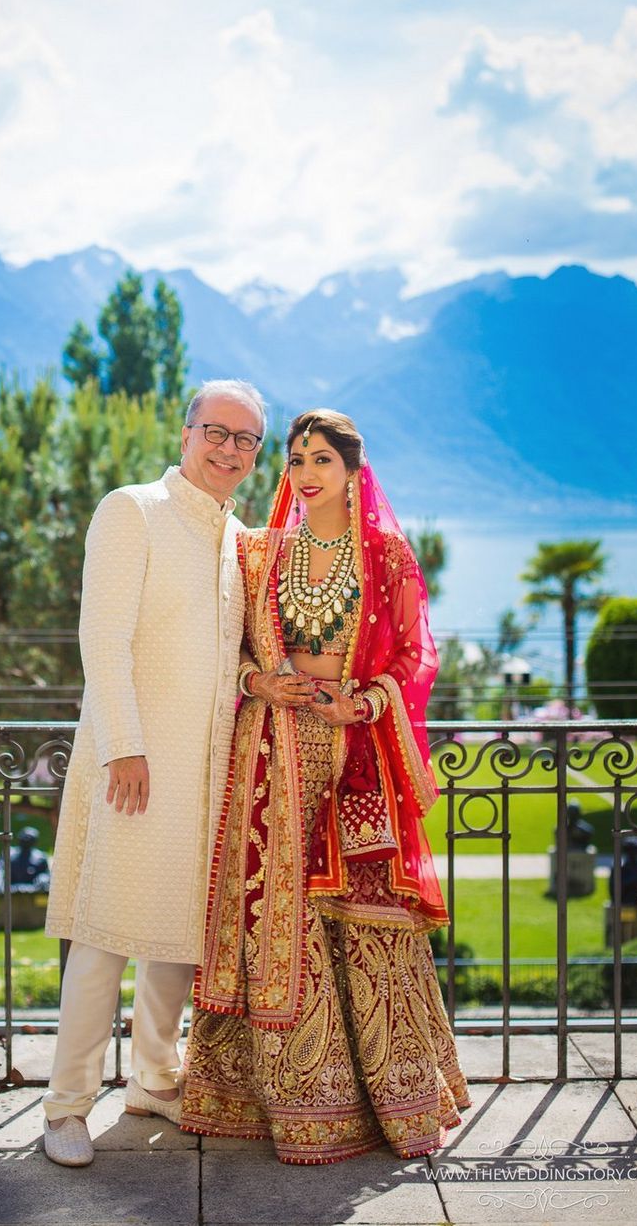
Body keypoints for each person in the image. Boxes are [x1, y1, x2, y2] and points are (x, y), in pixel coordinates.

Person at [181, 408, 469, 1164]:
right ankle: (286, 1104)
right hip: (271, 752)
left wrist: (365, 703)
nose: (306, 473)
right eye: (297, 459)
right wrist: (257, 681)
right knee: (279, 917)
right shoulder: (260, 553)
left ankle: (393, 1100)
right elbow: (228, 648)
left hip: (355, 754)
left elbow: (413, 658)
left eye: (322, 460)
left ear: (352, 471)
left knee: (363, 922)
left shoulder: (386, 555)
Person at [41, 379, 266, 1166]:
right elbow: (101, 638)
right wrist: (124, 746)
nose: (229, 448)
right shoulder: (131, 509)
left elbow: (228, 658)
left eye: (246, 439)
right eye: (217, 430)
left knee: (178, 936)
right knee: (103, 936)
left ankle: (153, 1078)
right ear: (185, 434)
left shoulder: (237, 540)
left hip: (205, 769)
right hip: (130, 763)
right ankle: (66, 1106)